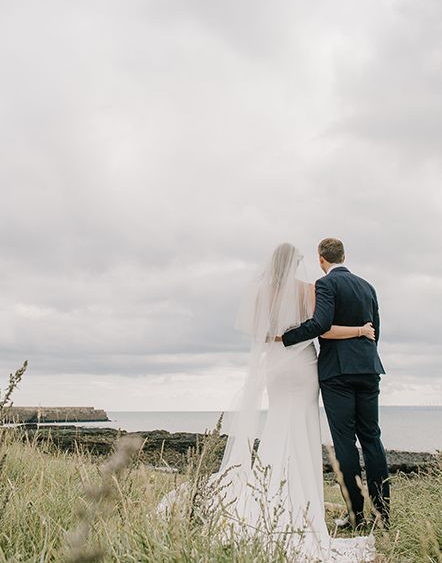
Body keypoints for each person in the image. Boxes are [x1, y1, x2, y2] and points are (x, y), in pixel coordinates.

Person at [155, 242, 376, 562]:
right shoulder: (308, 290)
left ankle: (266, 500)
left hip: (275, 365)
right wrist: (357, 330)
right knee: (303, 426)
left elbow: (258, 335)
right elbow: (321, 329)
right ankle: (304, 510)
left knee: (278, 424)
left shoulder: (259, 293)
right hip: (302, 365)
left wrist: (275, 339)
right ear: (298, 264)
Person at [281, 237, 390, 530]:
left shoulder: (325, 284)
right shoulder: (368, 286)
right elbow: (375, 330)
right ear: (344, 255)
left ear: (321, 259)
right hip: (368, 369)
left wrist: (285, 339)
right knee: (372, 439)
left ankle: (356, 516)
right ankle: (383, 515)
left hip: (337, 373)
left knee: (345, 443)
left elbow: (321, 324)